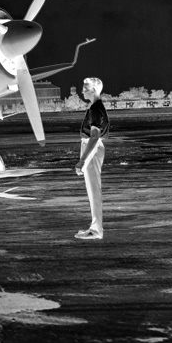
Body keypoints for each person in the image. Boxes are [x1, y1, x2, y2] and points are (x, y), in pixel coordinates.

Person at [74, 77, 109, 240]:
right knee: (93, 190)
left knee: (94, 191)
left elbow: (94, 136)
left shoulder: (95, 109)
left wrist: (83, 160)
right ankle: (94, 228)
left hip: (92, 147)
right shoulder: (95, 107)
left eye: (85, 87)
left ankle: (96, 230)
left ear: (93, 90)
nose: (82, 91)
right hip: (92, 146)